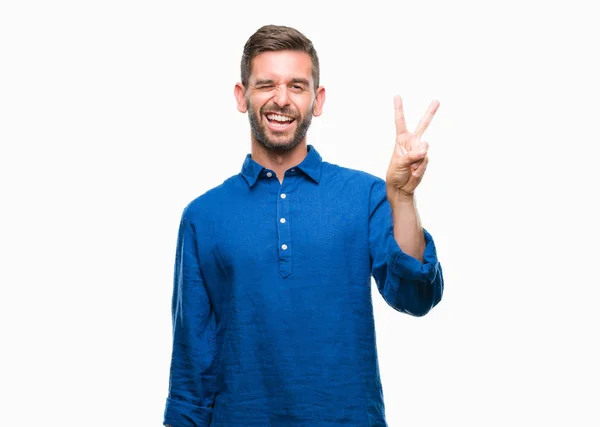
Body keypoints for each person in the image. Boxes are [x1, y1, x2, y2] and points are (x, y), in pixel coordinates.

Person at [163, 24, 444, 427]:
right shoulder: (203, 216)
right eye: (266, 85)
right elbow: (192, 367)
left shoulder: (364, 195)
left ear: (318, 99)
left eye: (297, 86)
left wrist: (401, 196)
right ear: (242, 96)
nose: (281, 99)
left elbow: (417, 297)